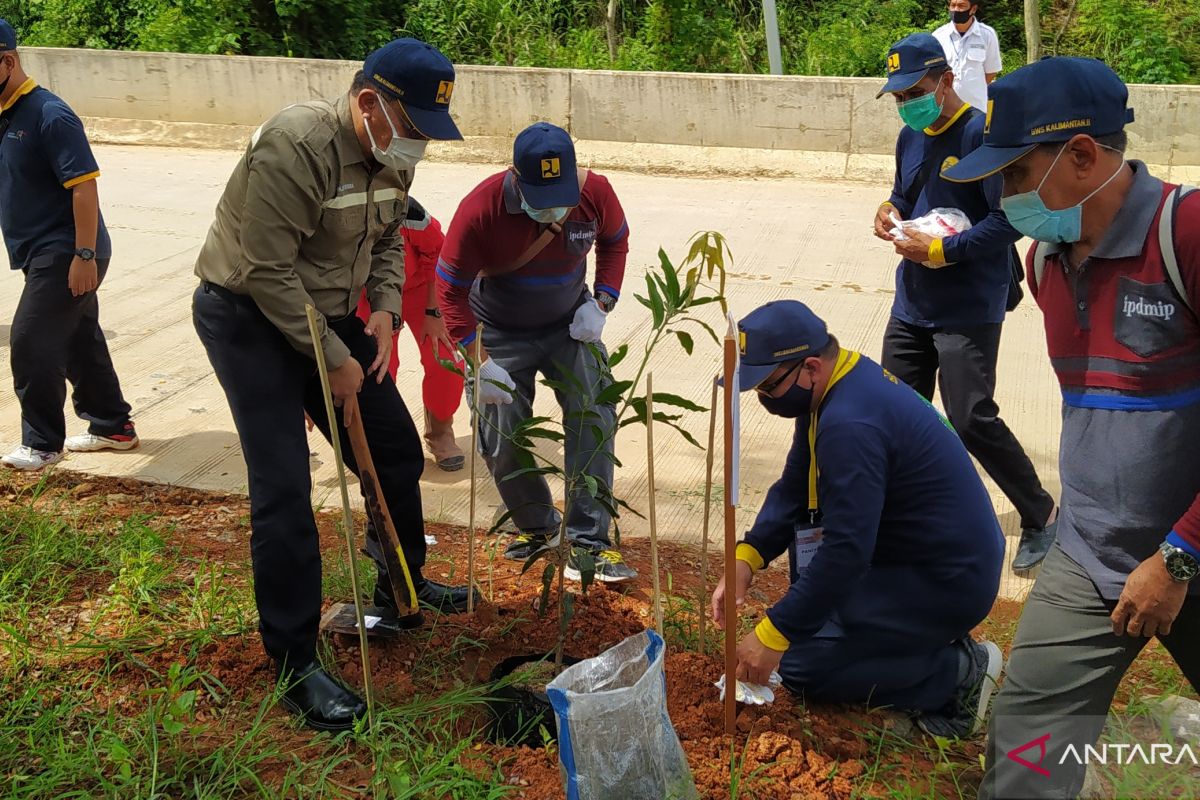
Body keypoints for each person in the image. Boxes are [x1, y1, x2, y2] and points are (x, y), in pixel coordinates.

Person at [192, 38, 475, 732]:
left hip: (332, 312)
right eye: (412, 130)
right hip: (250, 316)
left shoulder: (391, 153)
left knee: (395, 448)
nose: (417, 148)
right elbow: (265, 268)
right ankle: (295, 664)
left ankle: (400, 582)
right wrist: (331, 356)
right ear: (369, 103)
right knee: (285, 486)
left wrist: (381, 309)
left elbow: (386, 241)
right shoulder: (298, 144)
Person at [943, 57, 1200, 798]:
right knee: (1025, 752)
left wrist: (1180, 557)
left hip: (1189, 552)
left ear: (1082, 155)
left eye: (1018, 176)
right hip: (1092, 554)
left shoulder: (1186, 234)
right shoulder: (1044, 265)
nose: (1007, 198)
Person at [712, 299, 1005, 737]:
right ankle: (917, 643)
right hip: (919, 561)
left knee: (804, 666)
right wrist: (748, 557)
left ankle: (959, 674)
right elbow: (796, 484)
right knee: (812, 621)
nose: (764, 398)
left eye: (768, 387)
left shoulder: (851, 424)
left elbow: (847, 552)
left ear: (810, 367)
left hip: (947, 579)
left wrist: (774, 633)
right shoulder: (840, 385)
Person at [873, 32, 1057, 575]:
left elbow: (1011, 220)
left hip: (967, 303)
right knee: (895, 413)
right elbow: (907, 192)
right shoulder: (911, 138)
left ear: (947, 80)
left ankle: (1040, 512)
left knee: (971, 416)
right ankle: (915, 515)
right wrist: (889, 208)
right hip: (913, 300)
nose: (909, 105)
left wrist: (945, 250)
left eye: (917, 91)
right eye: (901, 97)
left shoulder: (981, 134)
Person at [437, 122, 636, 583]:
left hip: (571, 326)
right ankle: (538, 526)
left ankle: (590, 542)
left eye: (560, 195)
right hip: (498, 332)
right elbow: (449, 292)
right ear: (515, 177)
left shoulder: (595, 192)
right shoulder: (480, 209)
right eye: (541, 198)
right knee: (499, 431)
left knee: (594, 414)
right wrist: (479, 362)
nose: (553, 210)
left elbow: (615, 242)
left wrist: (602, 301)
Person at [0, 19, 137, 471]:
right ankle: (112, 425)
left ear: (7, 61)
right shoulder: (6, 114)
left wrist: (84, 256)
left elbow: (84, 187)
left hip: (67, 251)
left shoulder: (48, 114)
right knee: (79, 338)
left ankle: (41, 443)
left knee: (31, 341)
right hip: (41, 249)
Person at [353, 197, 465, 472]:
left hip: (419, 291)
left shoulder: (409, 211)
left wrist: (434, 313)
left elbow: (440, 254)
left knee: (446, 358)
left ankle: (440, 430)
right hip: (370, 296)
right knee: (375, 368)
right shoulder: (337, 212)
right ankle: (381, 439)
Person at [932, 0, 1001, 113]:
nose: (956, 9)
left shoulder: (987, 35)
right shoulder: (938, 36)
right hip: (945, 109)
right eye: (953, 5)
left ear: (973, 9)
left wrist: (972, 87)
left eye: (961, 6)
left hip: (976, 108)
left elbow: (991, 72)